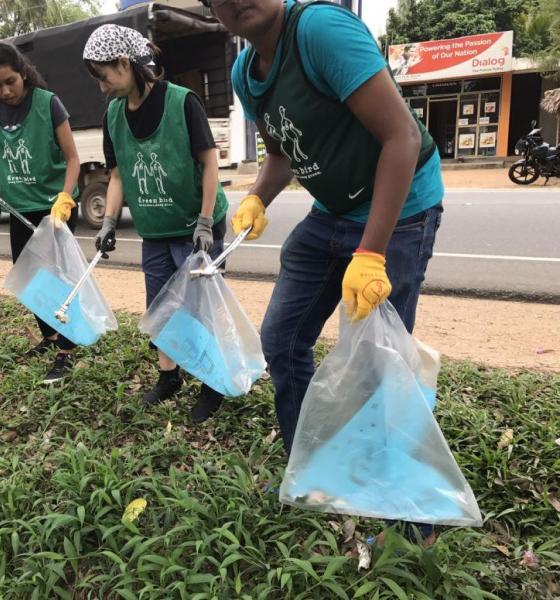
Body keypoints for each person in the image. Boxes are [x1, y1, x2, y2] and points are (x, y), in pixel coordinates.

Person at [205, 0, 444, 541]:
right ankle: (309, 468)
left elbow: (402, 137)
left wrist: (372, 252)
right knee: (282, 342)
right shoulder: (247, 73)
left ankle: (416, 517)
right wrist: (256, 197)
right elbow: (283, 153)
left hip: (399, 211)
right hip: (331, 212)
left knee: (379, 364)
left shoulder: (320, 32)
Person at [84, 25, 230, 423]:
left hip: (195, 226)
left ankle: (212, 383)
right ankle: (169, 377)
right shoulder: (113, 114)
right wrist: (109, 221)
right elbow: (117, 175)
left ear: (125, 63)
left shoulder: (183, 102)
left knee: (201, 309)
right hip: (156, 229)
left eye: (104, 76)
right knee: (161, 308)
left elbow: (209, 161)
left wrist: (204, 221)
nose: (102, 87)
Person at [0, 42, 82, 384]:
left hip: (54, 209)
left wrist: (66, 195)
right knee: (29, 281)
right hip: (15, 205)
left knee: (59, 282)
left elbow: (73, 157)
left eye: (10, 81)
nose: (5, 91)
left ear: (22, 73)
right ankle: (49, 338)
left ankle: (67, 350)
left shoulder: (48, 104)